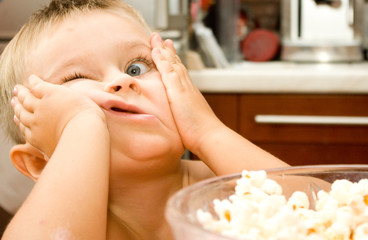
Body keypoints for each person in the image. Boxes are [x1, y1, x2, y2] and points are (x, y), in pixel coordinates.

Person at [0, 0, 288, 239]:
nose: (121, 80)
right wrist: (83, 125)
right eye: (77, 78)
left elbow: (324, 214)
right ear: (40, 163)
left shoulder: (227, 189)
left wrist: (206, 130)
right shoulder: (76, 223)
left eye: (137, 67)